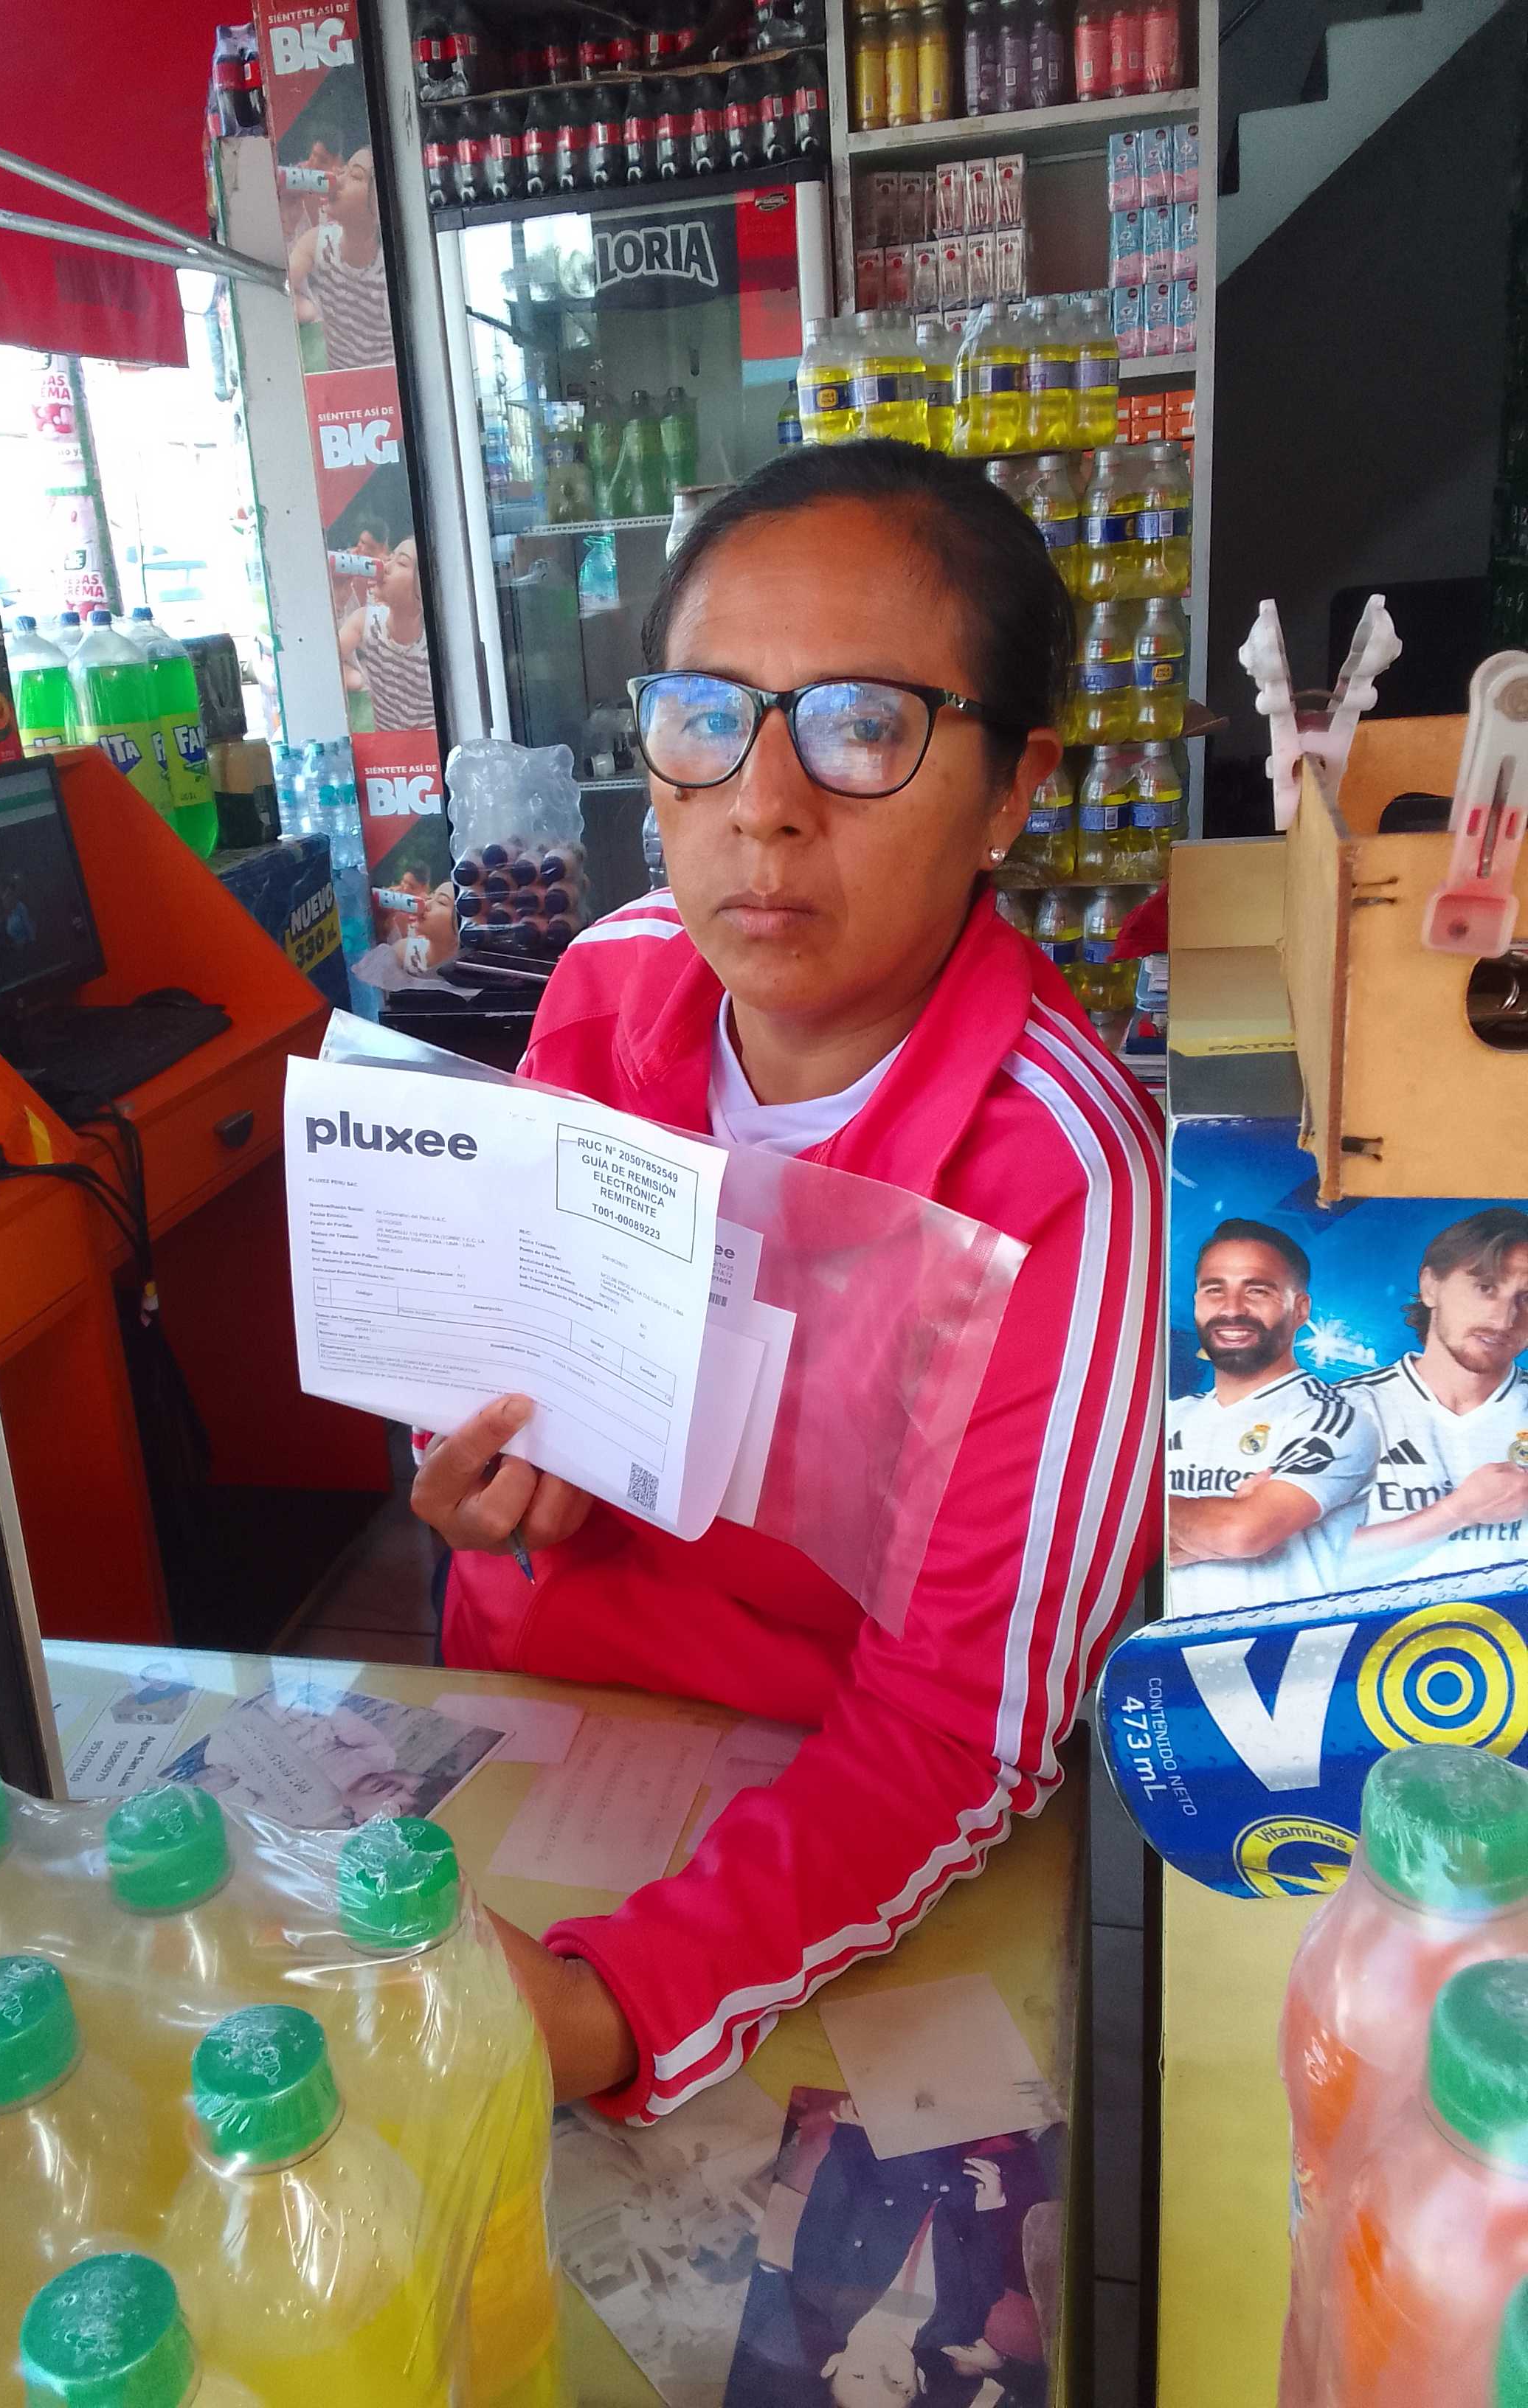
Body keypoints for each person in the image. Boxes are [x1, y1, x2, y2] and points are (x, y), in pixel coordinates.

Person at [409, 442, 1164, 2121]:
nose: (760, 802)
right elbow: (496, 1370)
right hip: (519, 1733)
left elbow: (952, 1732)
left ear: (1011, 788)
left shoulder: (1067, 1181)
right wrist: (470, 1474)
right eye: (706, 716)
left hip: (814, 1841)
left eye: (862, 725)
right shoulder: (604, 987)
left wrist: (615, 2007)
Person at [1166, 1219, 1379, 1617]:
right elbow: (1094, 1537)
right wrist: (1209, 1519)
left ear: (1300, 1309)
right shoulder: (1167, 1421)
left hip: (1288, 1653)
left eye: (1257, 1291)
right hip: (1166, 1653)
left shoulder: (1333, 1418)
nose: (1232, 1309)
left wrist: (1152, 1517)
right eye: (1215, 1290)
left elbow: (1241, 1533)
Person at [1347, 1206, 1528, 1579]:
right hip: (1381, 1619)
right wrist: (1456, 1512)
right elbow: (1298, 1564)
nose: (1505, 1319)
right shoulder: (1340, 1412)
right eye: (1486, 1288)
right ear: (1431, 1286)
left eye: (1527, 1298)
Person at [289, 145, 394, 372]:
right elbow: (277, 289)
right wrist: (288, 217)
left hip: (388, 381)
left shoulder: (390, 265)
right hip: (339, 382)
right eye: (344, 170)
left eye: (355, 176)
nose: (338, 179)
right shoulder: (317, 243)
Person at [336, 538, 435, 733]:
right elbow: (322, 666)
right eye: (390, 558)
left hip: (429, 746)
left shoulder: (433, 644)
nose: (385, 567)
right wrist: (338, 601)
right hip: (386, 745)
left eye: (402, 563)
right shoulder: (365, 621)